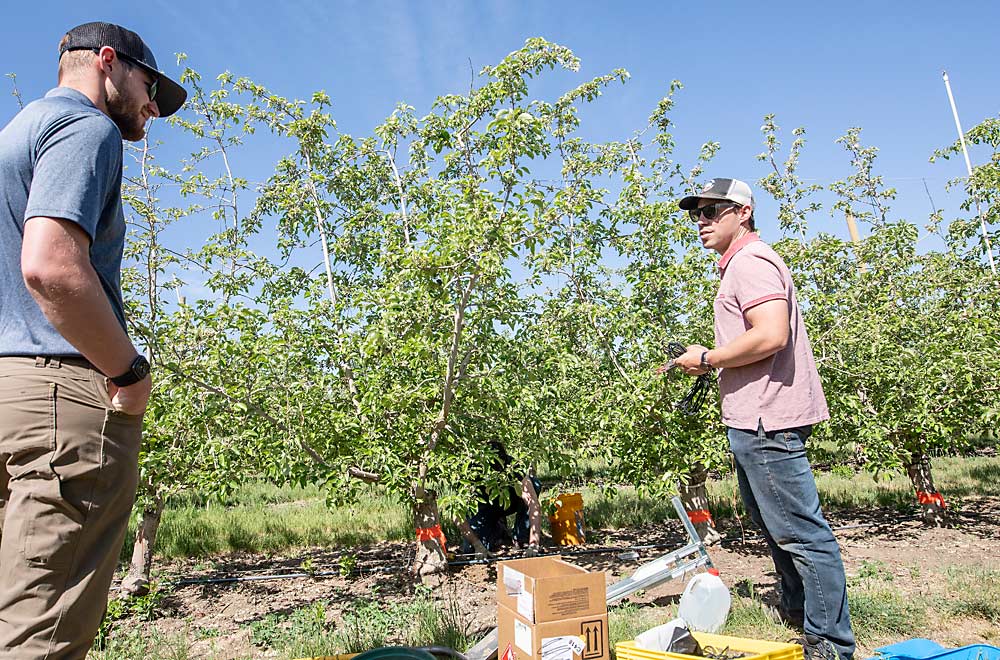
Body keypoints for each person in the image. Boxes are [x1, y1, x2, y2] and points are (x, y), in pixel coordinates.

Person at [0, 21, 186, 658]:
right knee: (44, 630)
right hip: (59, 396)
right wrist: (129, 373)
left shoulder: (13, 136)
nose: (152, 106)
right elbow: (50, 264)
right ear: (107, 62)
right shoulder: (86, 127)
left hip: (7, 393)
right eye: (147, 84)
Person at [668, 179, 856, 660]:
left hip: (766, 420)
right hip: (755, 417)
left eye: (713, 211)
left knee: (801, 533)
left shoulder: (750, 263)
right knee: (775, 525)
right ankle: (799, 611)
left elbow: (770, 334)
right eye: (698, 214)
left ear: (744, 212)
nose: (702, 222)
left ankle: (830, 643)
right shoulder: (739, 265)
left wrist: (708, 358)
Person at [462, 441, 542, 556]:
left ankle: (521, 538)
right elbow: (457, 516)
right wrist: (477, 544)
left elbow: (533, 503)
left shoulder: (513, 466)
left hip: (510, 502)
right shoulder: (471, 471)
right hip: (485, 507)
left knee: (534, 485)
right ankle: (498, 529)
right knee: (470, 550)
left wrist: (534, 543)